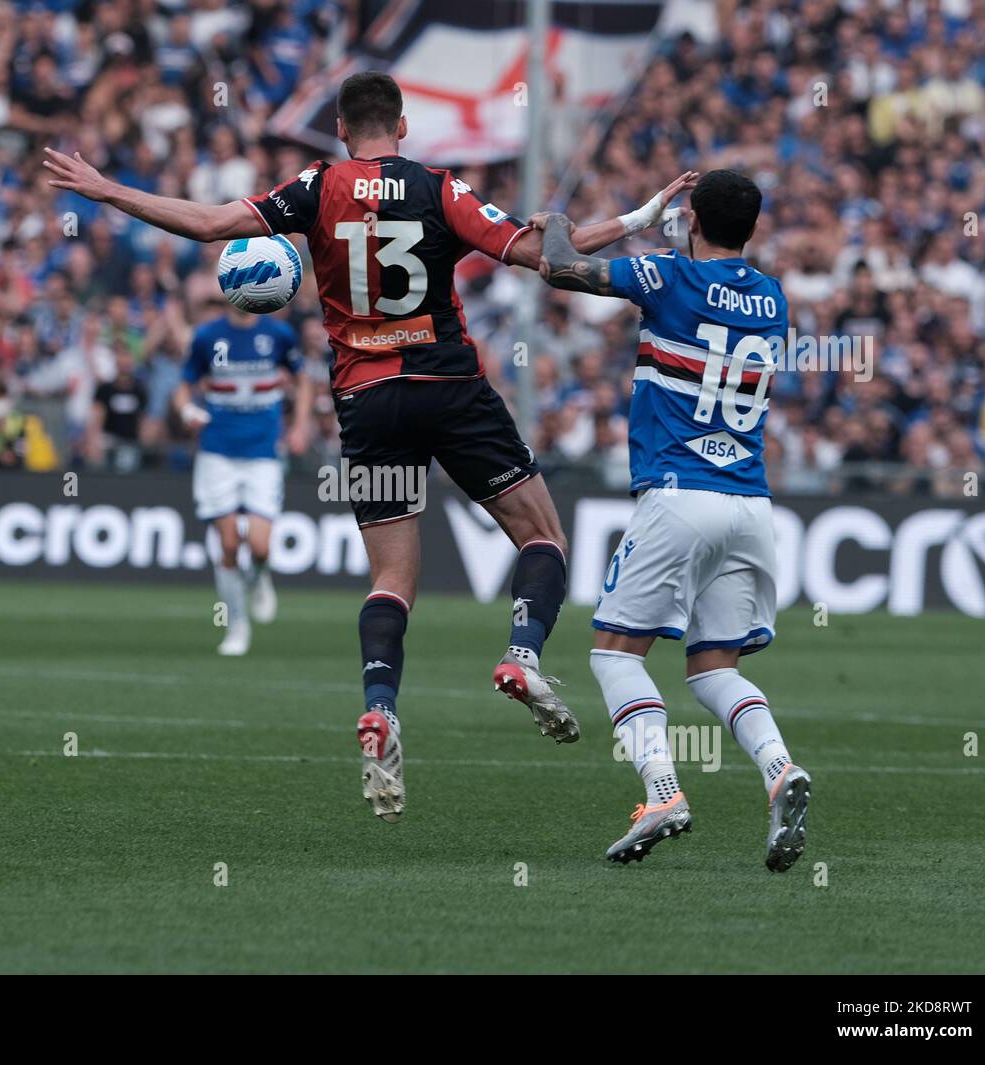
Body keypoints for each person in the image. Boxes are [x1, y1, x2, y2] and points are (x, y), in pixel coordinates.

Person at [43, 72, 694, 822]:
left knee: (391, 576)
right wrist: (638, 218)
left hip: (367, 400)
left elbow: (210, 224)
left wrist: (106, 190)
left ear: (344, 129)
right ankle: (521, 653)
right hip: (450, 386)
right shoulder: (439, 187)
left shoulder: (316, 187)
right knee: (542, 533)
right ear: (403, 125)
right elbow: (542, 253)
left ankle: (381, 708)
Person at [536, 169, 811, 871]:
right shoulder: (773, 299)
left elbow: (558, 265)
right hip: (750, 502)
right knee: (714, 666)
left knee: (613, 652)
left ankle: (663, 791)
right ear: (752, 228)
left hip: (678, 494)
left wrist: (602, 216)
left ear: (689, 216)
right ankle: (779, 767)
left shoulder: (669, 277)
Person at [171, 300, 312, 656]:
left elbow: (304, 381)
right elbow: (183, 385)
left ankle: (261, 577)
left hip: (263, 452)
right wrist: (188, 411)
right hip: (217, 450)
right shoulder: (207, 336)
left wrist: (299, 426)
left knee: (261, 546)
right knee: (230, 545)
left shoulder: (279, 334)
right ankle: (236, 625)